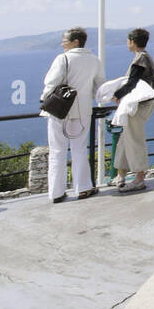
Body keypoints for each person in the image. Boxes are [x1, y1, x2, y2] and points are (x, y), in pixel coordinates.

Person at [41, 27, 105, 203]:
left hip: (60, 111)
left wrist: (45, 100)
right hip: (82, 111)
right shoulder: (94, 60)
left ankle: (56, 192)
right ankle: (83, 188)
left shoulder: (63, 59)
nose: (62, 44)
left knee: (57, 151)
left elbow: (50, 83)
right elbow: (99, 87)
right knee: (79, 150)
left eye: (65, 40)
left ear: (75, 41)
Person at [112, 29, 154, 192]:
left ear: (132, 41)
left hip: (138, 106)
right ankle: (121, 174)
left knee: (135, 139)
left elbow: (132, 82)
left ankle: (139, 178)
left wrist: (117, 95)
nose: (127, 43)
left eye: (127, 40)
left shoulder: (141, 58)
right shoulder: (144, 57)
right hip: (139, 105)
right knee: (125, 139)